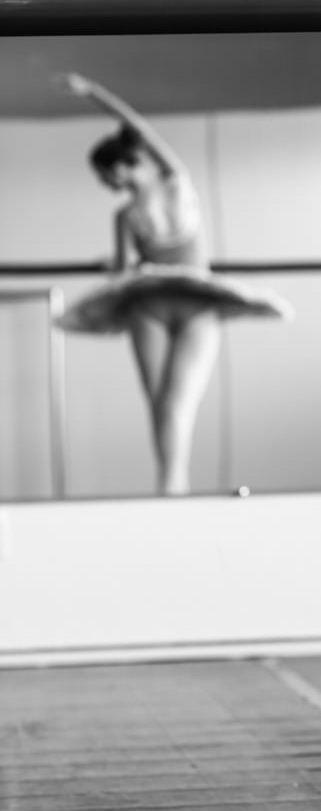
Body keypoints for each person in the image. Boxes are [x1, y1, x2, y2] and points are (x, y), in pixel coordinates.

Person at [57, 74, 292, 497]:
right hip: (177, 304)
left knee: (167, 405)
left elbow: (139, 129)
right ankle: (171, 490)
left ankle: (171, 490)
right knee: (170, 405)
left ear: (119, 166)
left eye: (104, 177)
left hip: (162, 305)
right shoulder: (162, 192)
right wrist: (91, 93)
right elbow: (125, 269)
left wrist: (93, 92)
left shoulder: (158, 191)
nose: (106, 186)